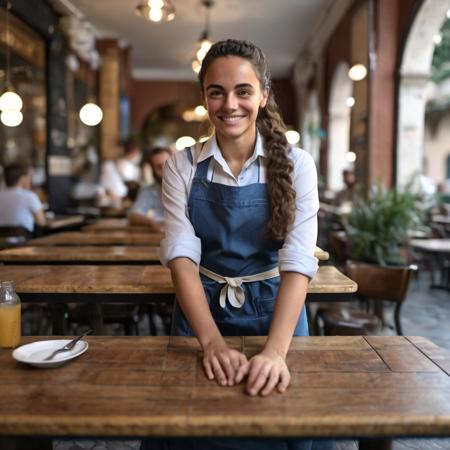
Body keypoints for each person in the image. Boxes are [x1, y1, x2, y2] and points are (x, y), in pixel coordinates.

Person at [153, 39, 324, 450]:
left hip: (278, 314)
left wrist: (276, 353)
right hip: (200, 313)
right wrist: (210, 342)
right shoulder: (182, 165)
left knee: (287, 425)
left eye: (243, 91)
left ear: (263, 95)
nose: (230, 104)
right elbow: (180, 256)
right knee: (187, 427)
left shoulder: (298, 165)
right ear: (205, 98)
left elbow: (298, 262)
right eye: (217, 92)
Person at [127, 146, 172, 231]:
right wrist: (152, 222)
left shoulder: (190, 186)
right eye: (159, 167)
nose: (165, 170)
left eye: (168, 164)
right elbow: (132, 215)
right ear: (153, 170)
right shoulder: (150, 191)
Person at [0, 163, 46, 233]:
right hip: (25, 241)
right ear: (23, 178)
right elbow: (41, 222)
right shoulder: (29, 196)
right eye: (29, 177)